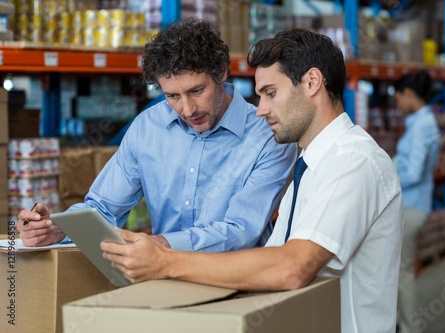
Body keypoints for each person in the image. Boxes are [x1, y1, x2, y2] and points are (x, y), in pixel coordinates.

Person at [101, 28, 404, 333]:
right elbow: (272, 259)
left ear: (312, 83)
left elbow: (291, 268)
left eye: (270, 93)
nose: (260, 110)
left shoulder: (353, 161)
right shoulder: (312, 164)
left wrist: (166, 261)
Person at [16, 18, 297, 251]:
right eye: (172, 96)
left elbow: (241, 231)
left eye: (197, 91)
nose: (187, 109)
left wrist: (159, 244)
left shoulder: (268, 134)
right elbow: (102, 208)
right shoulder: (148, 128)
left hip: (239, 285)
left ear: (222, 73)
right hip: (161, 279)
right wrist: (57, 229)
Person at [392, 71, 440, 333]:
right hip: (411, 204)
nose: (397, 105)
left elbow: (413, 172)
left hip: (412, 206)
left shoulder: (423, 126)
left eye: (398, 98)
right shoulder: (420, 123)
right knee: (400, 272)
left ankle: (410, 328)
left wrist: (385, 176)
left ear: (409, 94)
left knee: (403, 273)